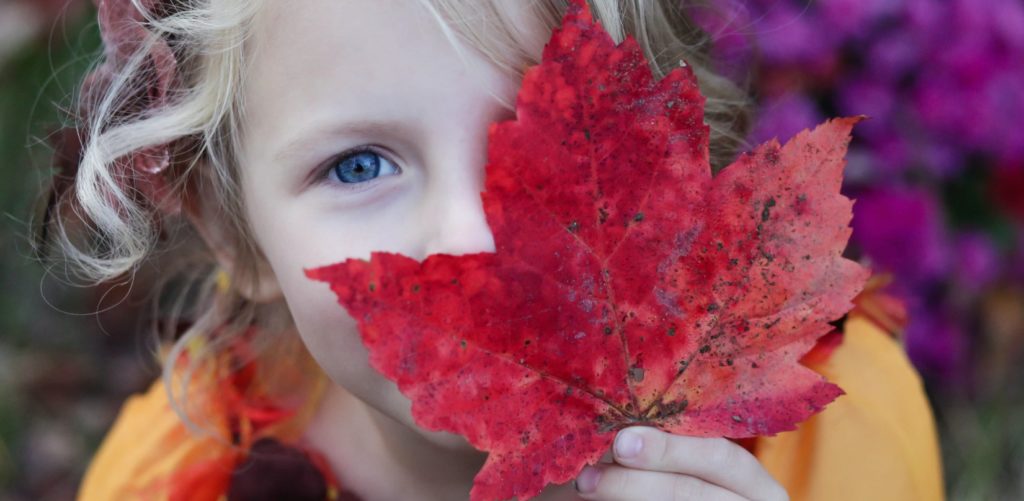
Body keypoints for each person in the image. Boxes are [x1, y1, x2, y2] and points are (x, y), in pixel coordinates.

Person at [37, 0, 944, 499]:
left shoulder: (836, 446)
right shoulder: (169, 485)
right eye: (359, 165)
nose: (472, 237)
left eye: (538, 134)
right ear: (232, 231)